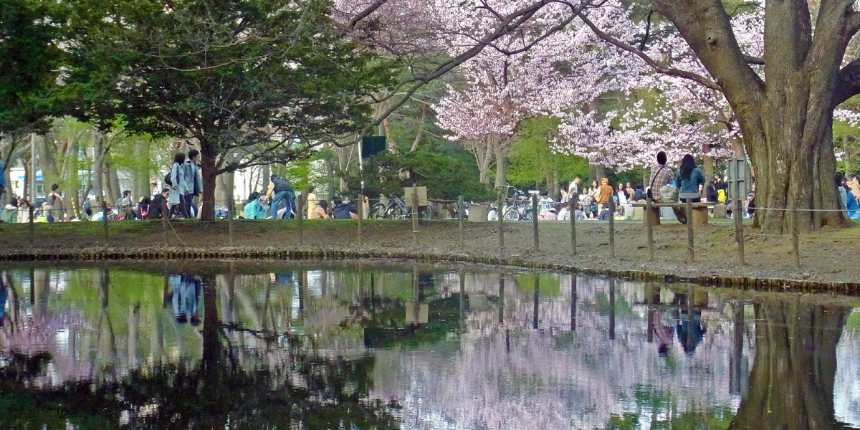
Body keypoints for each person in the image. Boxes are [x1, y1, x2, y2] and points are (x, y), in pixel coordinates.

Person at [674, 154, 706, 224]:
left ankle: (685, 219)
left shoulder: (679, 172)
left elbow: (677, 185)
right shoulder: (697, 171)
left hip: (683, 197)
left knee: (683, 203)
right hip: (695, 196)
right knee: (697, 201)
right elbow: (703, 180)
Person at [184, 149, 203, 218]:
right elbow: (182, 176)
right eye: (197, 156)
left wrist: (200, 189)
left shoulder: (195, 165)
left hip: (192, 187)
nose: (198, 158)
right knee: (187, 202)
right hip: (186, 187)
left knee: (189, 202)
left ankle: (188, 215)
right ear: (193, 156)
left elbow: (197, 178)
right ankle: (187, 216)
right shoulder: (186, 164)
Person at [169, 153, 187, 218]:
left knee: (175, 203)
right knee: (182, 202)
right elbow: (173, 177)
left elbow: (182, 179)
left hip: (181, 188)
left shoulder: (181, 166)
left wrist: (186, 188)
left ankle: (169, 216)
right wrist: (175, 185)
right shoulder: (175, 165)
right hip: (177, 188)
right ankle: (186, 216)